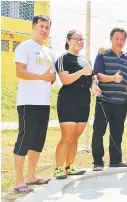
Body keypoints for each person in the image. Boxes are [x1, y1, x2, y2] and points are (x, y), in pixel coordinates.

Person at [13, 15, 56, 193]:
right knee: (25, 139)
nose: (44, 30)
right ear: (33, 26)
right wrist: (42, 77)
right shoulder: (24, 47)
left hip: (43, 102)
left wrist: (51, 79)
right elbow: (20, 72)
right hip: (27, 101)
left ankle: (31, 176)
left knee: (38, 140)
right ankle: (19, 180)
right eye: (41, 26)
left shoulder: (49, 52)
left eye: (47, 27)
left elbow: (50, 78)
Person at [54, 30, 101, 179]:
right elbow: (65, 80)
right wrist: (82, 72)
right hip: (68, 99)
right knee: (67, 136)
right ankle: (59, 168)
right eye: (77, 39)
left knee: (75, 136)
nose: (80, 42)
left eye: (82, 39)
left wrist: (94, 86)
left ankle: (70, 166)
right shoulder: (63, 59)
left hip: (84, 100)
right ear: (68, 40)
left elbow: (93, 78)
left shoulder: (86, 60)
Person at [92, 28, 127, 171]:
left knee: (117, 132)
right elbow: (99, 76)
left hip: (121, 102)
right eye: (117, 38)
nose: (119, 41)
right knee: (99, 131)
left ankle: (115, 160)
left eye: (122, 39)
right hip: (105, 101)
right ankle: (97, 161)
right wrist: (113, 78)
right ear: (111, 38)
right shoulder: (102, 55)